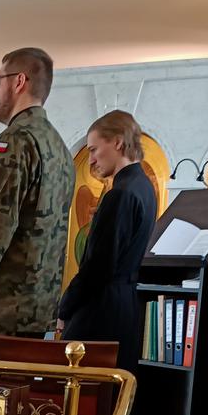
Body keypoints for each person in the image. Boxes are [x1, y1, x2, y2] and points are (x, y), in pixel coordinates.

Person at [0, 47, 72, 357]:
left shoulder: (16, 141)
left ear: (18, 81)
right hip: (39, 313)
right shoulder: (58, 146)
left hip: (1, 314)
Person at [56, 110, 157, 374]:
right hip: (124, 307)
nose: (90, 160)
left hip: (100, 312)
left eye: (94, 149)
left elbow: (98, 266)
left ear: (118, 142)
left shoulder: (120, 194)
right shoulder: (144, 187)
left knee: (81, 390)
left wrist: (65, 308)